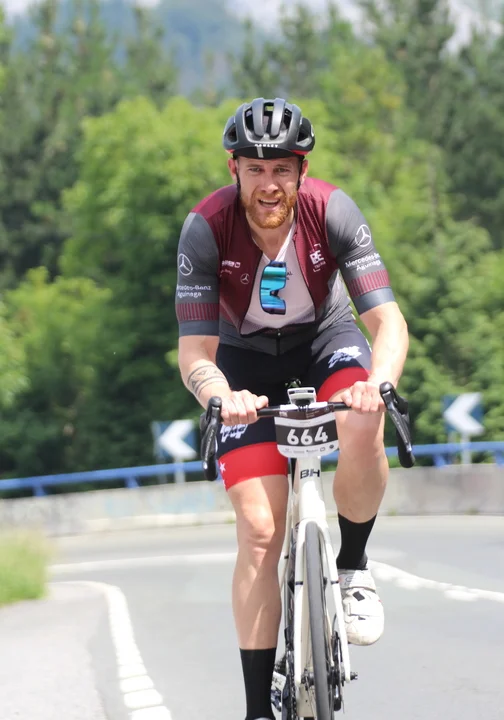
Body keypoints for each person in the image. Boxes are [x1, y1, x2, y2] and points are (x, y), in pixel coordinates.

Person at [175, 97, 409, 720]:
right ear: (234, 169)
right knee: (259, 530)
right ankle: (257, 709)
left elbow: (387, 321)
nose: (269, 183)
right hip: (244, 363)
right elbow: (195, 351)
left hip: (326, 343)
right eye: (255, 169)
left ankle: (352, 568)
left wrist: (379, 383)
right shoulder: (206, 228)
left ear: (302, 169)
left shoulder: (333, 211)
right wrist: (219, 395)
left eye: (281, 168)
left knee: (363, 418)